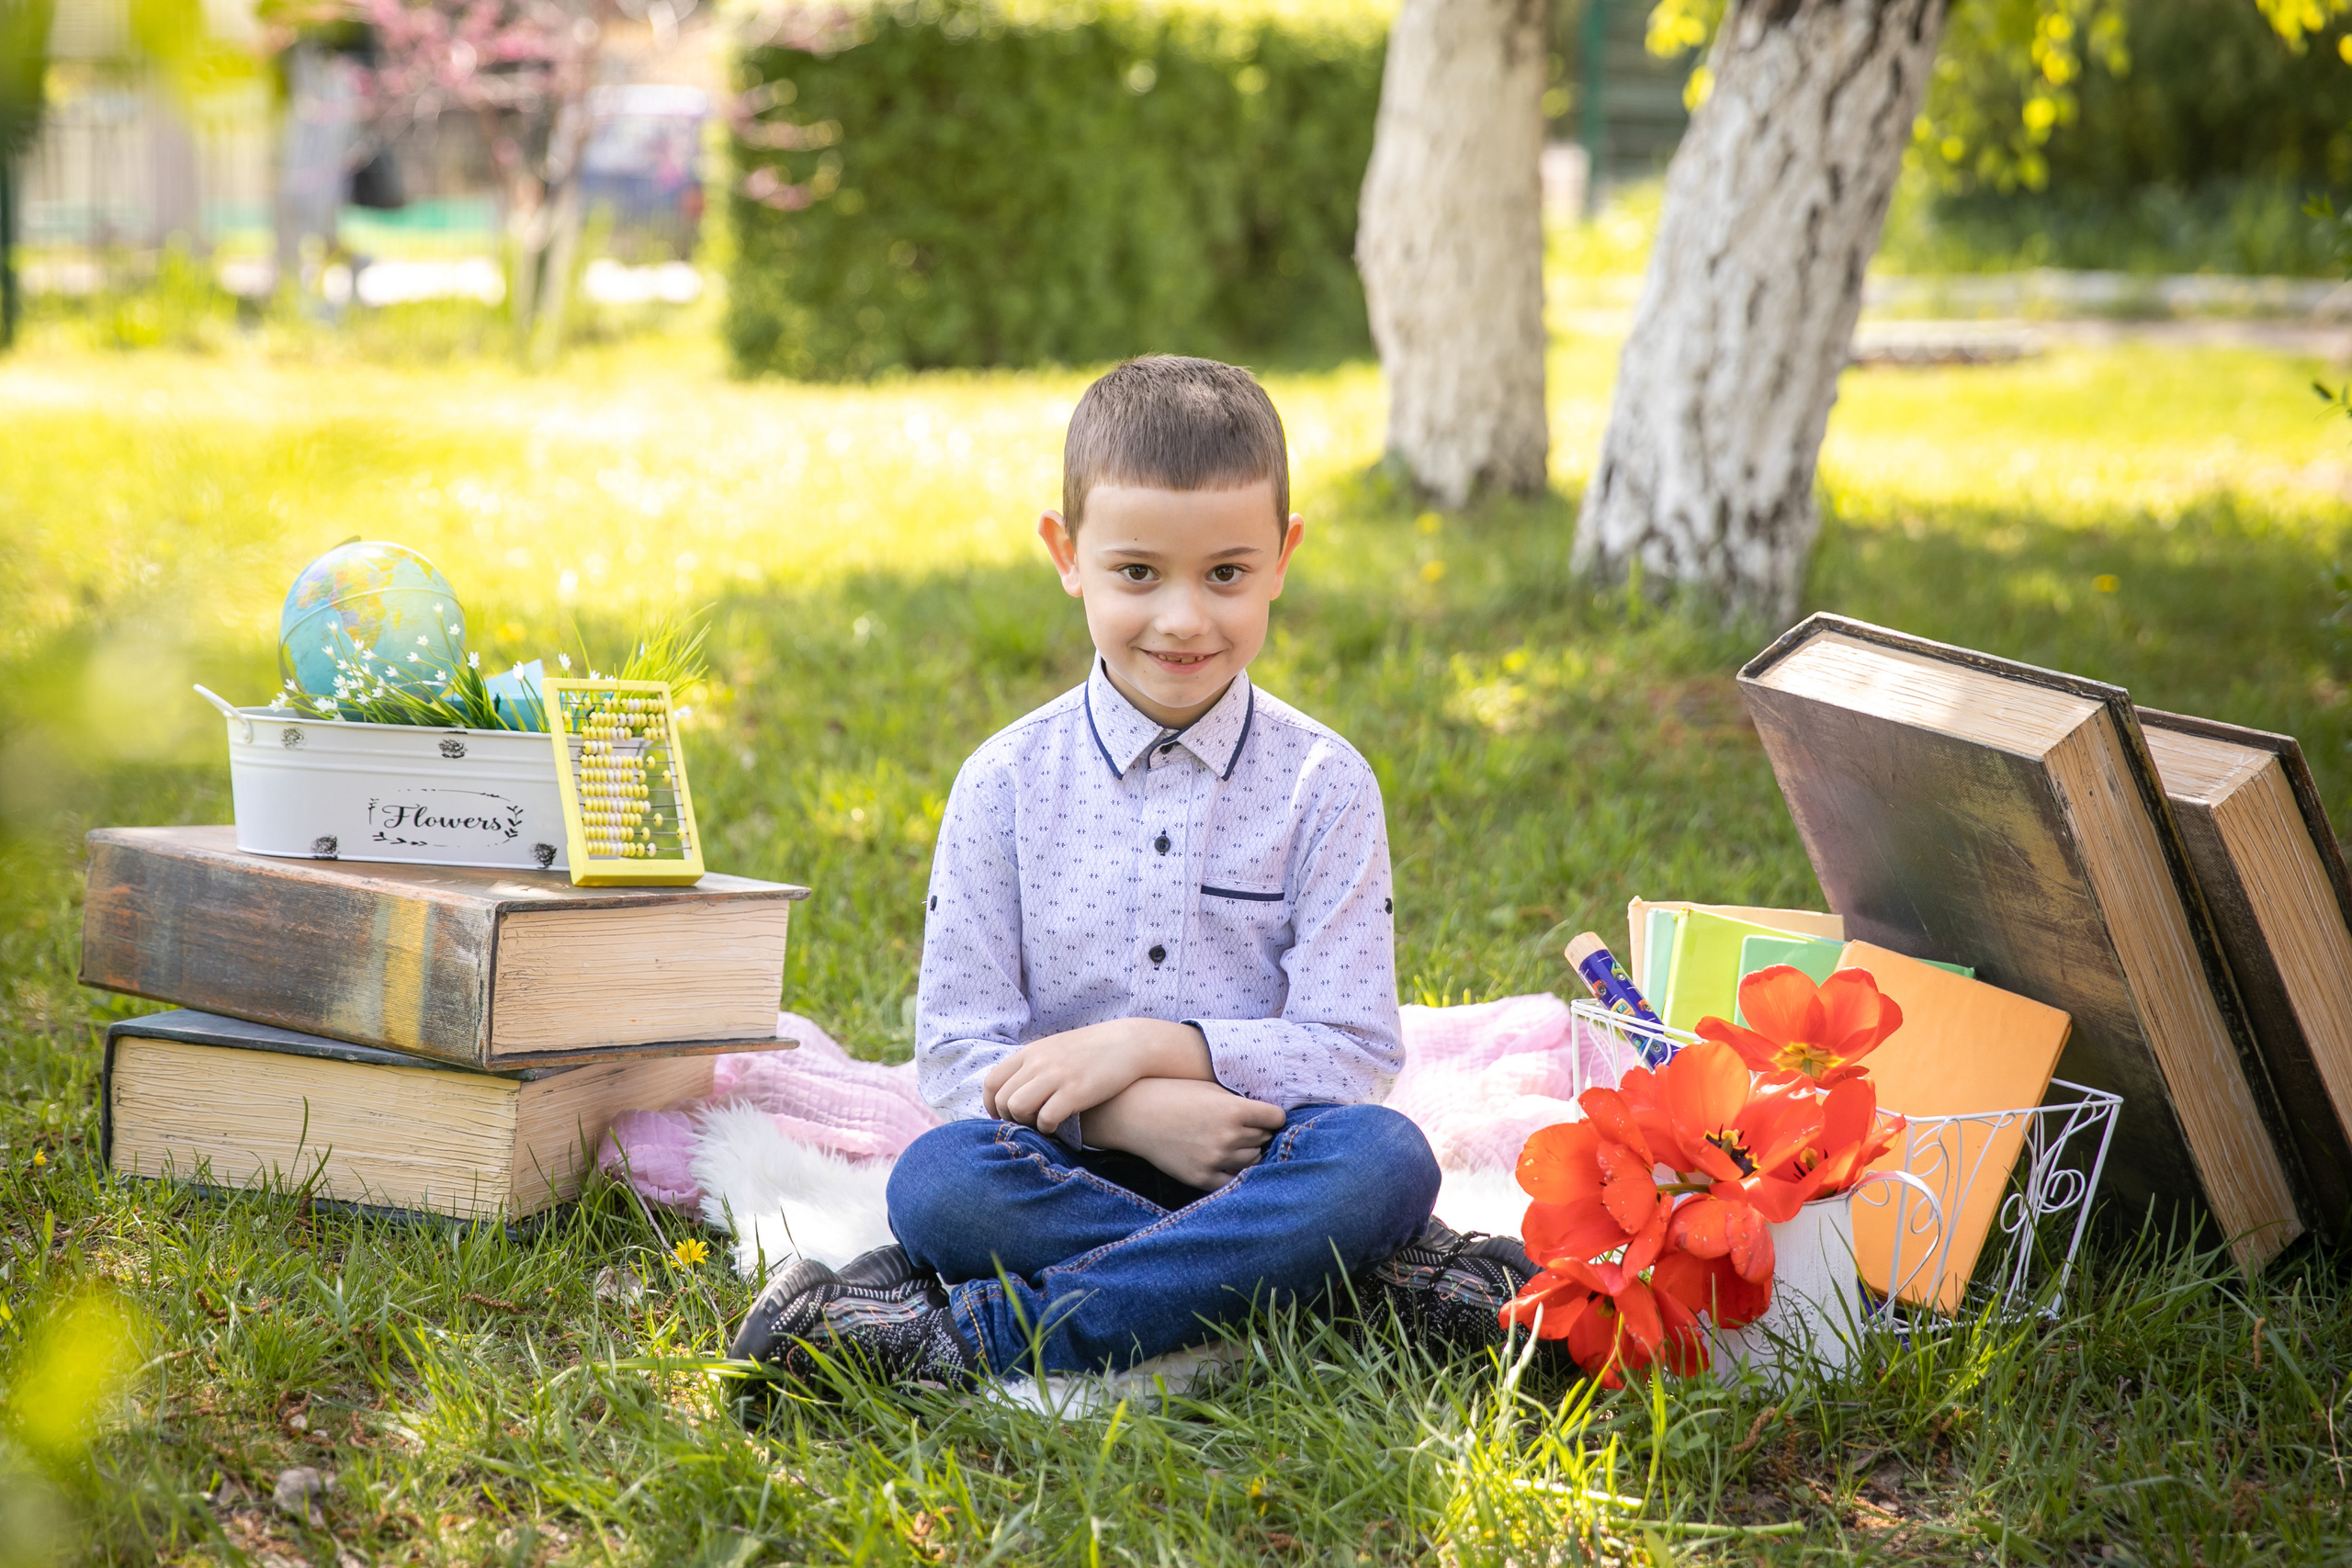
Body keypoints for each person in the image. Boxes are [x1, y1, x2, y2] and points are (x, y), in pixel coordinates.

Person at [730, 355, 1532, 1392]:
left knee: (1383, 1161)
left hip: (1266, 1161)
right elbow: (954, 1060)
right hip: (1057, 1165)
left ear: (1284, 558)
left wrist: (1154, 1049)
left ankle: (952, 1334)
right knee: (938, 1186)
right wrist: (1116, 1113)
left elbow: (1354, 1051)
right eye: (1138, 573)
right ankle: (1357, 1286)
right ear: (1066, 555)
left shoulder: (1325, 785)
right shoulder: (1005, 783)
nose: (1184, 620)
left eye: (1227, 575)